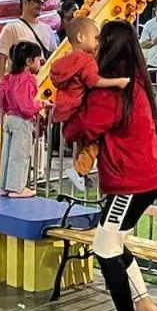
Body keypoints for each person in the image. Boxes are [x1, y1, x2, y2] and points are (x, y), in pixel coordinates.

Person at [65, 21, 157, 311]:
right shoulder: (137, 79)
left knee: (105, 247)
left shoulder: (111, 90)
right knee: (115, 242)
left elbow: (81, 129)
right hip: (149, 175)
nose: (94, 44)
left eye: (100, 39)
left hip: (131, 180)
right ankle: (145, 307)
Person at [50, 17, 131, 191]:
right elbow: (94, 81)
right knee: (94, 141)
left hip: (64, 111)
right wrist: (118, 82)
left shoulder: (65, 61)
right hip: (77, 109)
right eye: (95, 38)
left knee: (83, 141)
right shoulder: (86, 60)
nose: (98, 42)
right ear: (80, 37)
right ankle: (79, 171)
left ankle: (82, 173)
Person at [0, 40, 47, 199]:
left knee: (8, 153)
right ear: (29, 61)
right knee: (20, 154)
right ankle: (17, 187)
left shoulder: (7, 78)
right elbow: (26, 106)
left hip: (9, 118)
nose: (40, 63)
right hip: (22, 120)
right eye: (38, 59)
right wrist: (40, 104)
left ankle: (4, 185)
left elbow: (1, 99)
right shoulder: (28, 79)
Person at [0, 0, 59, 81]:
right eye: (37, 1)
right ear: (25, 2)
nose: (40, 5)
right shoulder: (11, 28)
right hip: (18, 86)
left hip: (43, 85)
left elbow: (54, 56)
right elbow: (1, 58)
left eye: (43, 3)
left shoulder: (47, 29)